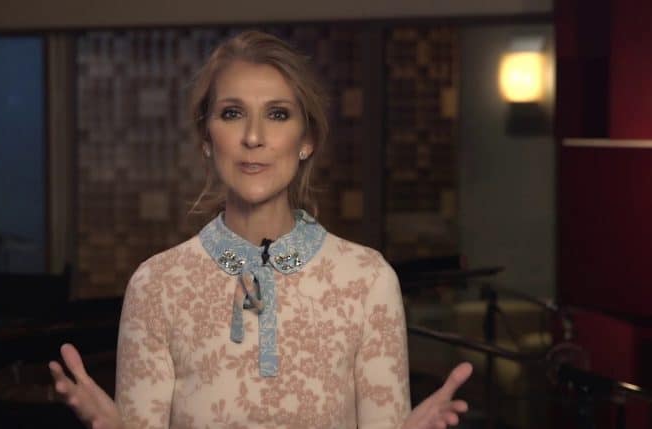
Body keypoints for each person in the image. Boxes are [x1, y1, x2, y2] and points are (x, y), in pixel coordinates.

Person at [49, 30, 472, 429]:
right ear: (206, 138)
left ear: (306, 139)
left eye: (277, 114)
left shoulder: (368, 280)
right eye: (232, 114)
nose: (253, 136)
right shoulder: (156, 286)